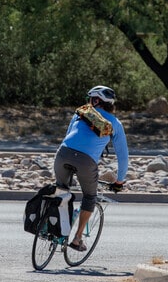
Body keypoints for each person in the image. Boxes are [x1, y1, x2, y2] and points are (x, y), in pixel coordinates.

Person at [53, 85, 129, 252]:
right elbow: (123, 157)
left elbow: (67, 136)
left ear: (95, 100)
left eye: (90, 99)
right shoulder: (115, 124)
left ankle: (50, 227)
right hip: (86, 163)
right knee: (89, 197)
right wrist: (119, 181)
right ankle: (77, 238)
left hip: (62, 154)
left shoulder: (80, 112)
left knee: (61, 191)